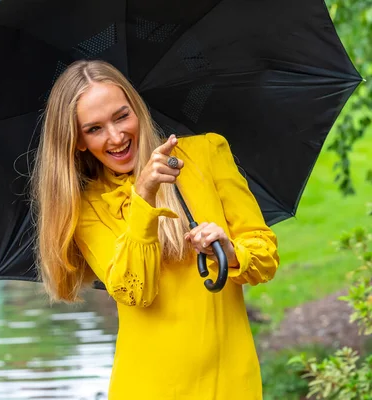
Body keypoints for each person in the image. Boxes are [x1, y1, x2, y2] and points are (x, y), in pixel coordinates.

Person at [31, 60, 279, 399]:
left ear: (138, 109)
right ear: (78, 142)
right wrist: (144, 197)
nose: (116, 137)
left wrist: (230, 250)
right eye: (94, 129)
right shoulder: (87, 207)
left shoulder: (206, 154)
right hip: (148, 386)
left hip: (229, 380)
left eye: (121, 116)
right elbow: (135, 293)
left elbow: (266, 257)